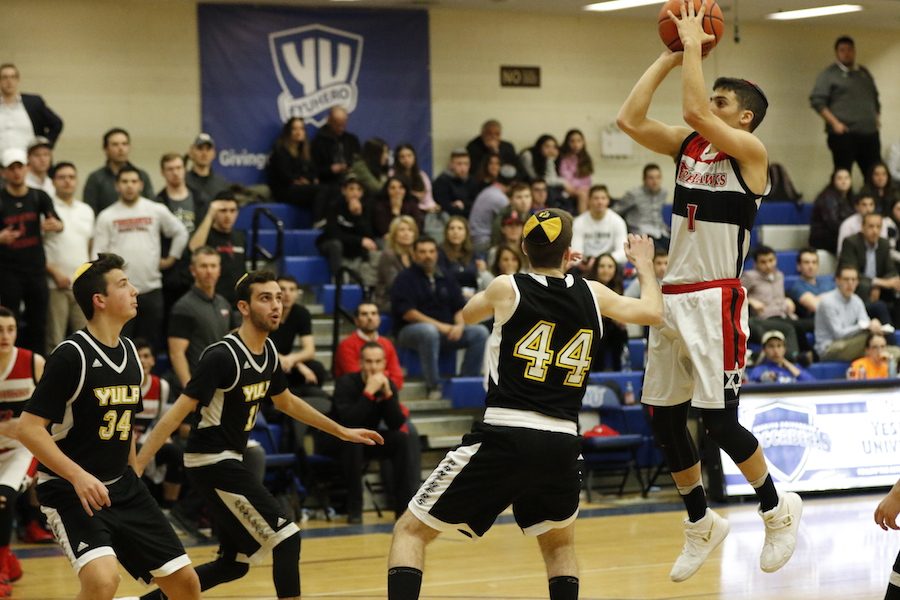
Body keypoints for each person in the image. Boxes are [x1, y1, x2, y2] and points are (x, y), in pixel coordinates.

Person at [386, 209, 663, 600]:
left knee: (410, 531)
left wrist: (546, 269)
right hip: (563, 441)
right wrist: (645, 266)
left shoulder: (506, 287)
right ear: (569, 252)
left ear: (521, 248)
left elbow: (467, 315)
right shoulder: (594, 293)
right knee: (559, 546)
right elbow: (653, 312)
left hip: (506, 432)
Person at [616, 3, 801, 581]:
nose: (708, 107)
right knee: (665, 420)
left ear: (745, 118)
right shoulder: (685, 149)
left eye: (723, 103)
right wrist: (671, 54)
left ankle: (776, 508)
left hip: (717, 298)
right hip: (673, 297)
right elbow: (628, 119)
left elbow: (695, 107)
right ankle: (701, 522)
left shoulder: (752, 156)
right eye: (712, 98)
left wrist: (694, 46)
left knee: (718, 424)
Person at [133, 269, 383, 600]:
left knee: (233, 565)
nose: (276, 305)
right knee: (287, 537)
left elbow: (287, 402)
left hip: (230, 459)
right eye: (265, 298)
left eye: (279, 298)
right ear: (244, 307)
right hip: (211, 461)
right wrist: (136, 468)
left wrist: (342, 431)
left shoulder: (267, 355)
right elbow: (174, 415)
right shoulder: (222, 356)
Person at [17, 254, 201, 600]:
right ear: (99, 301)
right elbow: (29, 429)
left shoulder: (131, 352)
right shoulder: (70, 355)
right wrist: (78, 476)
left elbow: (125, 423)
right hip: (70, 491)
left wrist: (134, 472)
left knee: (186, 583)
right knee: (103, 582)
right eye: (123, 284)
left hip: (124, 487)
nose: (134, 291)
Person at [93, 166, 189, 348]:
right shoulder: (106, 216)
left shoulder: (155, 209)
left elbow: (181, 232)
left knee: (149, 348)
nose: (129, 186)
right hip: (119, 293)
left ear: (141, 185)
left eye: (134, 181)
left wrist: (171, 258)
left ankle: (149, 378)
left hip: (151, 289)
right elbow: (98, 254)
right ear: (117, 186)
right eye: (125, 181)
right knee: (118, 345)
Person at [320, 342, 414, 523]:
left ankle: (403, 509)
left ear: (385, 363)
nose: (374, 367)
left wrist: (387, 395)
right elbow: (349, 422)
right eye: (369, 362)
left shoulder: (388, 385)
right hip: (337, 438)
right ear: (361, 363)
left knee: (401, 440)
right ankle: (355, 508)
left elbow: (395, 423)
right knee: (354, 442)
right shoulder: (346, 383)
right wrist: (368, 392)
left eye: (378, 362)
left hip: (363, 440)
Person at [391, 237, 489, 399]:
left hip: (447, 330)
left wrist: (458, 326)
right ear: (414, 254)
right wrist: (442, 327)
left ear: (437, 254)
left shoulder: (446, 276)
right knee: (429, 332)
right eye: (422, 252)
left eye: (431, 251)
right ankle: (433, 386)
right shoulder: (405, 278)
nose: (427, 256)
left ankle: (464, 384)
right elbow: (409, 313)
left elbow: (459, 307)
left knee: (479, 333)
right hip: (410, 332)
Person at [0, 307, 46, 595]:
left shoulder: (33, 363)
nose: (5, 336)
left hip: (21, 451)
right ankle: (10, 561)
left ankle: (2, 569)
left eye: (10, 329)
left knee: (3, 498)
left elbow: (52, 413)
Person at [0, 148, 64, 354]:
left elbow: (58, 222)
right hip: (9, 272)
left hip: (36, 271)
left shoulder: (39, 196)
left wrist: (54, 224)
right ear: (3, 172)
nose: (17, 172)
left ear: (27, 168)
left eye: (20, 167)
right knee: (10, 321)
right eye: (12, 168)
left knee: (39, 324)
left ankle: (37, 367)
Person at [810, 36, 881, 178]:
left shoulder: (863, 73)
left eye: (849, 49)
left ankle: (872, 199)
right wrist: (835, 124)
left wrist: (876, 118)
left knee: (874, 173)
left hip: (869, 133)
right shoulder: (829, 75)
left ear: (854, 51)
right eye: (842, 50)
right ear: (837, 53)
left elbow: (874, 97)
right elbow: (817, 101)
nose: (846, 53)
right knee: (843, 174)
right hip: (844, 133)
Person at [44, 161, 94, 352]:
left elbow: (89, 247)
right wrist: (54, 273)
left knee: (87, 340)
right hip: (54, 284)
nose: (67, 181)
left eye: (71, 177)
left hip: (81, 285)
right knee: (54, 341)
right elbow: (38, 248)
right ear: (53, 181)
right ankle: (53, 382)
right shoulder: (45, 208)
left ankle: (85, 381)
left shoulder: (86, 211)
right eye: (62, 177)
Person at [133, 338, 184, 510]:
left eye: (146, 356)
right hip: (124, 443)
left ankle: (170, 508)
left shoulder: (162, 386)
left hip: (148, 439)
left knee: (175, 453)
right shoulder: (124, 384)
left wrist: (164, 438)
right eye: (138, 356)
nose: (142, 360)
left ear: (153, 360)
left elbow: (162, 421)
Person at [156, 152, 208, 317]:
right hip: (170, 271)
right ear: (163, 173)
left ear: (185, 170)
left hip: (196, 264)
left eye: (179, 168)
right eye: (170, 169)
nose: (175, 172)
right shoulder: (157, 202)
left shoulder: (200, 198)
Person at [742, 245, 809, 363]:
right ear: (756, 263)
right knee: (791, 328)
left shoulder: (779, 276)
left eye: (771, 260)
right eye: (763, 262)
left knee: (808, 323)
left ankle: (812, 354)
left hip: (783, 316)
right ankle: (794, 357)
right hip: (764, 319)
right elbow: (737, 294)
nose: (768, 265)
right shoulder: (750, 277)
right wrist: (750, 300)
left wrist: (787, 300)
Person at [269, 274, 328, 398]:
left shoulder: (301, 313)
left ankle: (307, 399)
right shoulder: (268, 311)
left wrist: (292, 360)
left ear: (297, 293)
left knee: (317, 368)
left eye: (292, 289)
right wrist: (298, 364)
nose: (287, 294)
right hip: (267, 360)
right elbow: (261, 345)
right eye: (283, 289)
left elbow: (309, 351)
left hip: (286, 363)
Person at [814, 266, 890, 361]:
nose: (850, 283)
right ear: (837, 281)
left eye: (853, 280)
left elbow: (865, 322)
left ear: (857, 282)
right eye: (846, 279)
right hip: (830, 348)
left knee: (894, 352)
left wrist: (874, 326)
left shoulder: (857, 300)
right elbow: (838, 334)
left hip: (851, 344)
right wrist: (865, 326)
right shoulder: (827, 302)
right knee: (869, 339)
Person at [315, 176, 379, 286]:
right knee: (336, 244)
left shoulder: (367, 208)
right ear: (344, 191)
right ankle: (338, 280)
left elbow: (369, 235)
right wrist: (359, 241)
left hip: (353, 248)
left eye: (359, 189)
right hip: (331, 244)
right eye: (351, 189)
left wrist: (358, 216)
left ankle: (369, 285)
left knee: (375, 249)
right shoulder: (334, 206)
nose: (355, 193)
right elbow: (333, 233)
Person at [188, 191, 246, 304]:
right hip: (211, 300)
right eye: (223, 210)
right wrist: (210, 215)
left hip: (236, 301)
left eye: (232, 211)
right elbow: (194, 248)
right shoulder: (205, 234)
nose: (228, 215)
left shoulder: (240, 236)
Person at [839, 212, 900, 317]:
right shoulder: (851, 242)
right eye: (871, 226)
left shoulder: (884, 244)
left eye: (878, 227)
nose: (875, 231)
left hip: (879, 288)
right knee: (864, 287)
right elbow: (851, 272)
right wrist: (877, 283)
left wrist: (878, 285)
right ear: (862, 227)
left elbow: (891, 271)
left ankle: (896, 329)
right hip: (857, 287)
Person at [83, 128, 154, 215]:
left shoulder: (142, 175)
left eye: (124, 144)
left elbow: (151, 206)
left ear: (129, 147)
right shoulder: (96, 178)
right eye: (115, 145)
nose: (121, 148)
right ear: (106, 149)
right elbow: (90, 211)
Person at [334, 302, 404, 389]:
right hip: (355, 397)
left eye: (374, 314)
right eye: (364, 314)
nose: (370, 318)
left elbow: (398, 379)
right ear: (356, 320)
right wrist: (386, 374)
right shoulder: (346, 345)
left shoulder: (387, 344)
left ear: (379, 319)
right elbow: (358, 379)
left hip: (386, 395)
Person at [0, 63, 63, 155]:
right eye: (5, 77)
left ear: (18, 80)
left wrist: (45, 146)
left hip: (28, 162)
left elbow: (57, 124)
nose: (9, 81)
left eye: (13, 77)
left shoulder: (33, 103)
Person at [571, 184, 628, 274]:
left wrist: (601, 262)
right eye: (596, 198)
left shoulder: (618, 221)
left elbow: (623, 252)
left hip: (609, 265)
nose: (600, 202)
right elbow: (575, 251)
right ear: (589, 201)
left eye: (603, 198)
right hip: (586, 266)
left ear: (608, 201)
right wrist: (585, 262)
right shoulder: (578, 222)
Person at [266, 117, 319, 210]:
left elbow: (313, 172)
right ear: (288, 132)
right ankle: (319, 222)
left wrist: (308, 180)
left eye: (301, 128)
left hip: (302, 188)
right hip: (285, 190)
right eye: (295, 129)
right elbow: (284, 175)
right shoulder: (281, 151)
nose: (298, 132)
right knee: (320, 191)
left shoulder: (305, 151)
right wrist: (299, 180)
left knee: (328, 191)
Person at [616, 163, 671, 249]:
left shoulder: (663, 193)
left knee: (677, 250)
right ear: (644, 179)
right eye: (651, 178)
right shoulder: (634, 194)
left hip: (660, 232)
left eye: (658, 177)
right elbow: (615, 211)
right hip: (641, 234)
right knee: (659, 253)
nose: (655, 181)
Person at [373, 216, 419, 311]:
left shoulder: (417, 256)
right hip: (389, 301)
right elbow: (394, 284)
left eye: (410, 230)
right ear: (394, 234)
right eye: (402, 230)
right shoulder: (388, 255)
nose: (406, 233)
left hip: (412, 300)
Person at [311, 107, 361, 186]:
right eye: (337, 124)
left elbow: (359, 161)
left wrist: (349, 167)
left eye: (343, 124)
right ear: (329, 121)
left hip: (351, 181)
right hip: (329, 183)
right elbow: (314, 169)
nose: (340, 128)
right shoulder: (318, 142)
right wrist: (331, 169)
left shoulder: (352, 140)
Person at [809, 168, 856, 255]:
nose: (844, 181)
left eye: (846, 178)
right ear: (833, 181)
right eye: (840, 178)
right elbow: (832, 223)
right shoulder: (827, 197)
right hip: (824, 237)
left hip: (841, 234)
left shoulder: (851, 198)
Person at [438, 216, 485, 297]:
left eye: (460, 228)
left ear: (466, 232)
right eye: (452, 228)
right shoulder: (439, 253)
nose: (455, 232)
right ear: (446, 232)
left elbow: (479, 277)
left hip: (473, 295)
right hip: (449, 296)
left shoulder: (473, 253)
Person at [746, 331, 815, 384]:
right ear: (764, 350)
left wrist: (788, 365)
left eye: (779, 346)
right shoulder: (760, 369)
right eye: (771, 346)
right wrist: (765, 378)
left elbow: (812, 384)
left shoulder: (795, 367)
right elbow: (753, 380)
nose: (775, 350)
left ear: (784, 349)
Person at [788, 248, 836, 319]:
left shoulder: (827, 282)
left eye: (814, 262)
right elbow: (817, 307)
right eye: (806, 262)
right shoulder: (797, 287)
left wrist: (819, 298)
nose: (811, 266)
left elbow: (843, 298)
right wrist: (832, 296)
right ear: (799, 266)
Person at [432, 148, 479, 219]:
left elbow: (477, 203)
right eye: (459, 164)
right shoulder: (441, 182)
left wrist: (463, 204)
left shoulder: (472, 181)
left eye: (466, 164)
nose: (463, 168)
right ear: (451, 164)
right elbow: (445, 207)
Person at [185, 133, 231, 203]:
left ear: (214, 153)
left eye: (208, 149)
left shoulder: (221, 183)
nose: (204, 153)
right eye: (200, 148)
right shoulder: (183, 181)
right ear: (191, 152)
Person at [557, 129, 594, 214]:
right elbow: (565, 178)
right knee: (583, 195)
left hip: (584, 189)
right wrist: (578, 189)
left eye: (579, 141)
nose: (576, 144)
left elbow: (588, 180)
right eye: (572, 141)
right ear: (567, 143)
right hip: (568, 189)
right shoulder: (564, 158)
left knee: (595, 195)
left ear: (583, 142)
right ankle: (583, 221)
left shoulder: (586, 159)